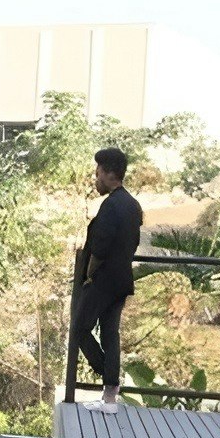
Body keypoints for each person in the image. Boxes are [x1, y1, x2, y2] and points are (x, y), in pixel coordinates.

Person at [71, 146, 143, 412]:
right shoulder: (132, 205)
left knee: (79, 329)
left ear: (109, 173)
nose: (96, 178)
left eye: (98, 172)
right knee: (110, 334)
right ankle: (110, 397)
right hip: (122, 279)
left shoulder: (111, 205)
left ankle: (107, 374)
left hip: (103, 280)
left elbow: (100, 248)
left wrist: (89, 275)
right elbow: (132, 243)